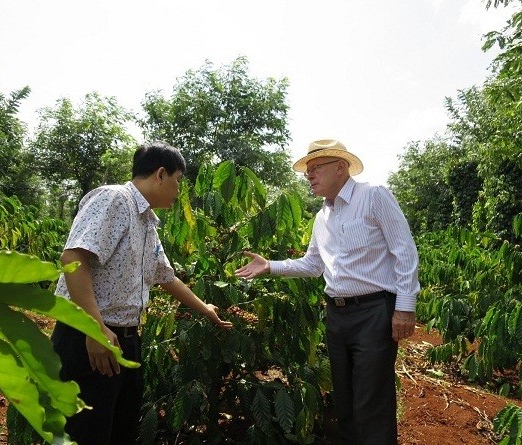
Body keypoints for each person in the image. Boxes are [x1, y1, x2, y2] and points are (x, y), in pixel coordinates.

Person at [235, 139, 419, 445]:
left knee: (371, 403)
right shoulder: (322, 217)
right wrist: (270, 266)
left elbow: (404, 251)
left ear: (341, 167)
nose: (309, 175)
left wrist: (405, 307)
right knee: (344, 401)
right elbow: (313, 264)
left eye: (316, 168)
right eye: (307, 170)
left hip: (374, 312)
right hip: (337, 315)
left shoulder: (373, 196)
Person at [51, 141, 233, 445]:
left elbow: (166, 277)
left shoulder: (148, 223)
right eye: (177, 181)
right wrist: (94, 328)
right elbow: (74, 258)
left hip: (125, 340)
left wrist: (205, 309)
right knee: (83, 434)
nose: (178, 190)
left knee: (118, 431)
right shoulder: (113, 200)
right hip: (89, 339)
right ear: (160, 174)